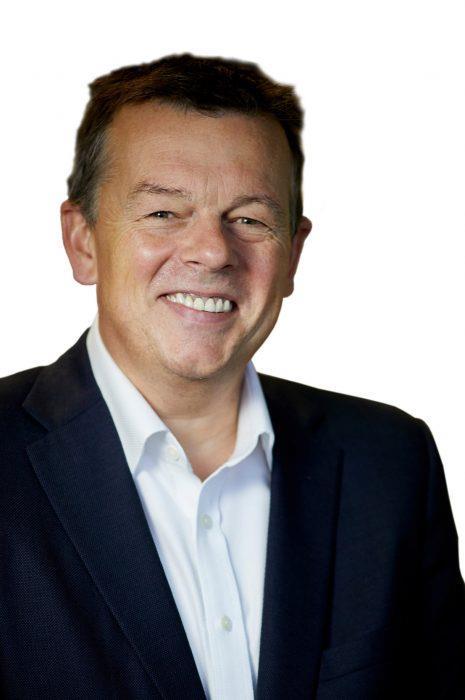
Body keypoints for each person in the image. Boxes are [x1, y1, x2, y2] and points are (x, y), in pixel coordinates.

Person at [0, 52, 463, 700]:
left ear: (293, 253)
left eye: (249, 219)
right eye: (164, 212)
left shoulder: (389, 462)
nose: (213, 252)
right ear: (82, 242)